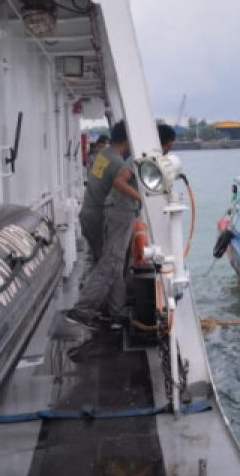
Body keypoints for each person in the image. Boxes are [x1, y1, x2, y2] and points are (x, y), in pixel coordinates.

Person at [69, 123, 176, 329]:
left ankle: (115, 312)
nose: (170, 150)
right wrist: (141, 199)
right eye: (169, 146)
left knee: (114, 264)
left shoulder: (105, 154)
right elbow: (120, 182)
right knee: (109, 264)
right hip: (112, 213)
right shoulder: (126, 161)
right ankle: (82, 311)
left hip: (97, 212)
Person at [78, 124, 129, 264]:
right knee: (104, 263)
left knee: (97, 260)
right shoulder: (118, 162)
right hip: (96, 219)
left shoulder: (104, 153)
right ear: (127, 140)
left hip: (87, 214)